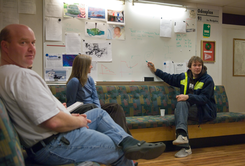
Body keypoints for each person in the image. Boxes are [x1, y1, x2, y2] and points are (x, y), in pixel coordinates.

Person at [0, 24, 166, 166]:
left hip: (53, 138)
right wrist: (77, 120)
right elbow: (54, 121)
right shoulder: (21, 76)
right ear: (5, 46)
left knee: (99, 113)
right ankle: (126, 144)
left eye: (33, 43)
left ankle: (129, 141)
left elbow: (42, 112)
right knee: (119, 148)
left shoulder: (7, 74)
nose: (31, 49)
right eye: (23, 43)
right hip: (56, 143)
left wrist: (66, 114)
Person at [147, 56, 216, 158]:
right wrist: (155, 70)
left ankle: (185, 146)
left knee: (179, 109)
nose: (197, 67)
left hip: (204, 110)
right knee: (181, 105)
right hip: (188, 109)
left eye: (199, 65)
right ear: (190, 67)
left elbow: (204, 99)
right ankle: (183, 138)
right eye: (195, 65)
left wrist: (187, 97)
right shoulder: (184, 77)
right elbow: (169, 78)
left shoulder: (208, 79)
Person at [66, 54, 131, 134]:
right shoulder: (74, 81)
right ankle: (123, 137)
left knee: (115, 107)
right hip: (82, 110)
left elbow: (95, 97)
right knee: (91, 106)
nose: (91, 67)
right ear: (84, 66)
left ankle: (124, 136)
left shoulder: (90, 79)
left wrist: (99, 110)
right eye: (89, 64)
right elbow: (70, 104)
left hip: (94, 108)